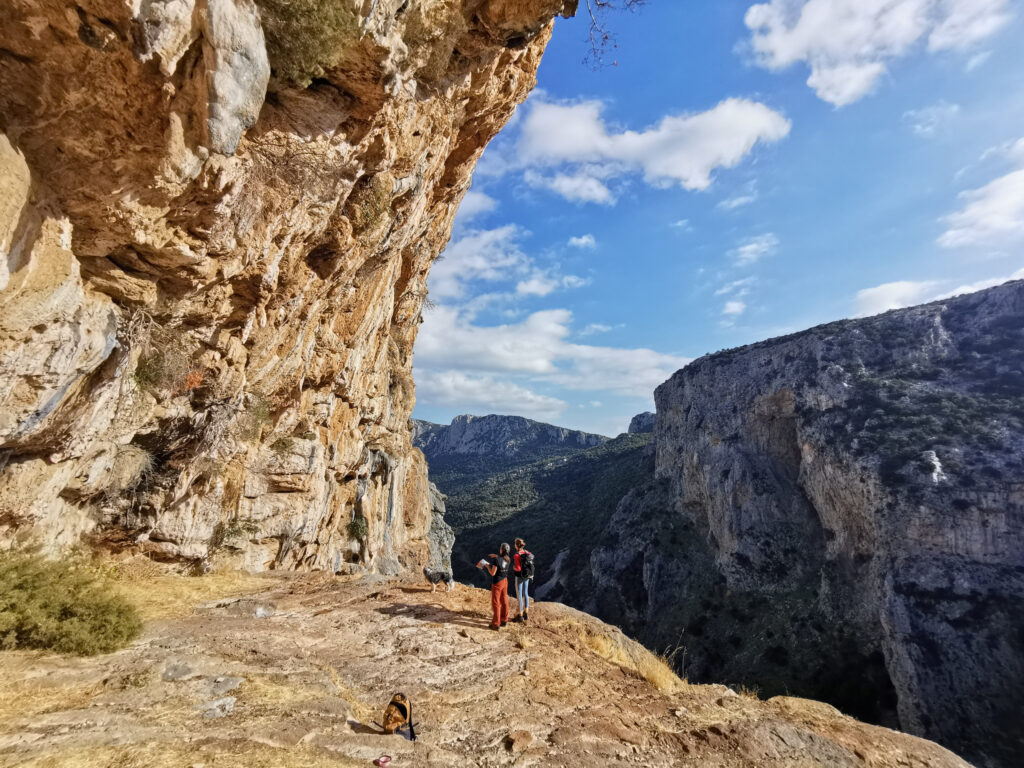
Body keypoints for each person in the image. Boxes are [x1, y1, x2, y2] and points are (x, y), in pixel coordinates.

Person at [477, 543, 511, 630]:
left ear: (501, 550)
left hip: (497, 583)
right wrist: (496, 556)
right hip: (505, 581)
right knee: (504, 600)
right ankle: (504, 620)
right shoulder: (508, 559)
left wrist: (488, 566)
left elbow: (493, 573)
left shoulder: (496, 560)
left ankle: (496, 624)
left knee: (496, 603)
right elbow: (501, 559)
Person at [511, 538, 533, 623]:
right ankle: (526, 613)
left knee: (519, 595)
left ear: (516, 545)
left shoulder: (517, 555)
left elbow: (518, 568)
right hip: (527, 576)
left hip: (519, 577)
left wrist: (513, 568)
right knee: (526, 593)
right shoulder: (527, 553)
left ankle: (520, 616)